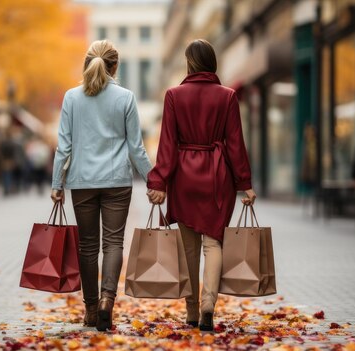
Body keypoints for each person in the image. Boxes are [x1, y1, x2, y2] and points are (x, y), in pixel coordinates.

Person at [146, 39, 256, 331]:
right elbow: (235, 145)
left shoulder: (173, 95)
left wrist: (159, 182)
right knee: (213, 243)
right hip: (217, 177)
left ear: (189, 63)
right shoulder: (229, 96)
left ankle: (192, 312)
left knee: (189, 249)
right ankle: (210, 304)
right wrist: (245, 183)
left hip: (184, 176)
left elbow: (167, 146)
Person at [50, 40, 152, 331]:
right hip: (117, 181)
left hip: (81, 182)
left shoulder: (71, 97)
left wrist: (57, 183)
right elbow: (136, 149)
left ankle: (91, 310)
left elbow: (63, 146)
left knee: (87, 246)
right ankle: (108, 300)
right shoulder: (126, 98)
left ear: (87, 63)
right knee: (113, 243)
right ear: (115, 66)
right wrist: (153, 181)